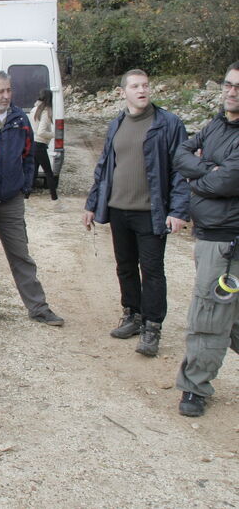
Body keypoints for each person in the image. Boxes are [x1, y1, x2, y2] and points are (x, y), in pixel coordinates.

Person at [83, 70, 188, 358]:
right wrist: (92, 204)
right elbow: (104, 166)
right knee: (125, 265)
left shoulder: (168, 123)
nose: (142, 90)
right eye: (135, 86)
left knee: (152, 271)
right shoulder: (117, 123)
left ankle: (152, 327)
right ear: (123, 92)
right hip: (119, 210)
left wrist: (178, 210)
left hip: (151, 212)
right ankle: (132, 315)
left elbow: (181, 169)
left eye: (145, 85)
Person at [0, 71, 64, 326]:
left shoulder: (20, 119)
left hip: (11, 200)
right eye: (1, 91)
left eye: (9, 90)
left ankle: (38, 307)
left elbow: (30, 154)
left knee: (21, 255)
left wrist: (25, 185)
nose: (6, 96)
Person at [172, 62, 239, 417]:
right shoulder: (216, 124)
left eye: (238, 87)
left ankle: (194, 388)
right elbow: (181, 152)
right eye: (228, 85)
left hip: (227, 242)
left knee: (210, 315)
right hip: (211, 237)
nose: (231, 92)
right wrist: (207, 171)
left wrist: (196, 180)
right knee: (225, 313)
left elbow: (225, 182)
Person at [31, 89, 60, 201]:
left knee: (33, 171)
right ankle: (54, 197)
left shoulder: (34, 109)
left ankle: (26, 194)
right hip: (40, 145)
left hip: (34, 143)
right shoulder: (45, 112)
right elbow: (41, 132)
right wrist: (54, 134)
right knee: (48, 172)